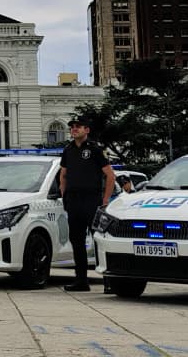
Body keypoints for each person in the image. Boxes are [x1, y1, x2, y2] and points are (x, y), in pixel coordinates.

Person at [59, 116, 114, 292]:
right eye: (72, 127)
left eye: (78, 127)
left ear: (87, 130)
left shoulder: (95, 149)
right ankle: (81, 280)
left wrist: (105, 200)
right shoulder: (68, 150)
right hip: (74, 201)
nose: (74, 129)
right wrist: (64, 196)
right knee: (77, 241)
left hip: (92, 200)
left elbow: (110, 175)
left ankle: (109, 281)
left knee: (99, 240)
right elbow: (63, 175)